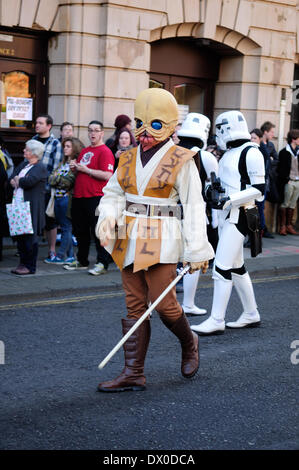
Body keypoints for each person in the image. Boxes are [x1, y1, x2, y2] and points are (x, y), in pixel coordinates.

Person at [95, 88, 214, 392]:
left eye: (155, 125)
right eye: (139, 123)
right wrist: (107, 216)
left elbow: (194, 205)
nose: (145, 132)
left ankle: (190, 342)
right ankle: (133, 372)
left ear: (173, 125)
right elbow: (113, 192)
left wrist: (196, 247)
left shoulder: (183, 159)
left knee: (163, 304)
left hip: (164, 235)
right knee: (134, 305)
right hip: (128, 234)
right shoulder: (127, 157)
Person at [191, 111, 265, 335]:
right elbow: (223, 183)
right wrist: (210, 190)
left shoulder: (252, 153)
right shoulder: (229, 154)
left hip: (241, 214)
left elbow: (259, 191)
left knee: (221, 266)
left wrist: (229, 199)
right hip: (226, 215)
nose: (217, 134)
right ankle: (251, 313)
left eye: (219, 129)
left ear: (226, 129)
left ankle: (217, 319)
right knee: (236, 267)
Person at [177, 112, 219, 315]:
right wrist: (216, 219)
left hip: (169, 211)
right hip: (194, 213)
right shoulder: (206, 157)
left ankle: (154, 303)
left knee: (166, 258)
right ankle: (188, 304)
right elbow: (215, 189)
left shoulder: (170, 152)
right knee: (193, 257)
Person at [63, 120, 114, 275]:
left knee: (99, 232)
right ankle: (82, 260)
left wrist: (86, 169)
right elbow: (80, 172)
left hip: (96, 197)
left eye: (96, 130)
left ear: (102, 133)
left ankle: (102, 263)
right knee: (80, 231)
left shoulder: (105, 151)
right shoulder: (85, 151)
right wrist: (74, 168)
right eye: (90, 130)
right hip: (79, 196)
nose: (92, 133)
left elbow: (107, 174)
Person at [9, 140, 47, 275]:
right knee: (20, 237)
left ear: (33, 152)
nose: (24, 151)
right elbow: (12, 176)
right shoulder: (24, 164)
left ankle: (30, 266)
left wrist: (19, 180)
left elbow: (28, 182)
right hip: (19, 206)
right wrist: (17, 180)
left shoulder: (40, 167)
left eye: (26, 149)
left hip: (31, 207)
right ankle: (22, 263)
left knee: (30, 238)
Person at [46, 137, 84, 263]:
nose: (65, 148)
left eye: (68, 146)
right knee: (64, 226)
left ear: (75, 148)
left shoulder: (76, 164)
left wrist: (57, 179)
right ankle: (71, 256)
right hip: (57, 198)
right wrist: (58, 179)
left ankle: (60, 256)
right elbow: (50, 179)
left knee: (66, 227)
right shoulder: (62, 163)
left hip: (67, 199)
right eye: (65, 146)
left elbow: (68, 182)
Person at [32, 114, 62, 262]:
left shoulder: (55, 143)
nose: (37, 125)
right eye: (36, 122)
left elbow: (55, 169)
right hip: (31, 188)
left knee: (50, 221)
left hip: (46, 188)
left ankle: (51, 251)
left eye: (40, 123)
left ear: (48, 126)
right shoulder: (32, 141)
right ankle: (30, 248)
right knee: (32, 219)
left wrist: (48, 186)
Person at [250, 128, 274, 239]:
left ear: (259, 139)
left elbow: (265, 169)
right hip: (252, 185)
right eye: (251, 137)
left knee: (258, 210)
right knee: (253, 210)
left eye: (254, 138)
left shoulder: (262, 151)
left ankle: (257, 236)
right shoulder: (252, 149)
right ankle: (253, 237)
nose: (252, 140)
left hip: (260, 185)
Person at [276, 129, 299, 236]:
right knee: (285, 203)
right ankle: (282, 226)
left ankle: (289, 225)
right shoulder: (284, 152)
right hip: (288, 182)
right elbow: (281, 170)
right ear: (294, 139)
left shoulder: (298, 152)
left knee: (293, 204)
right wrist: (287, 180)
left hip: (297, 181)